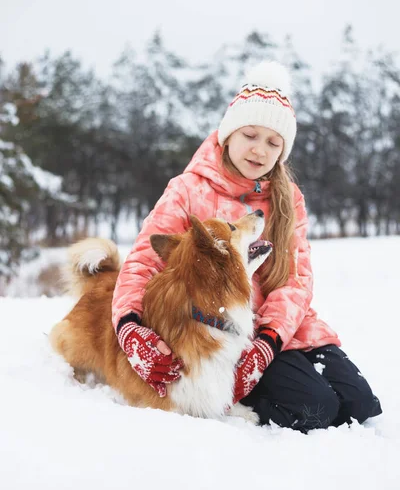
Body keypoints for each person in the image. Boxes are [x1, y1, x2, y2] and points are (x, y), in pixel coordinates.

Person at [112, 61, 382, 432]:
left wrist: (269, 343)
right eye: (250, 135)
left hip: (275, 330)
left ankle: (278, 378)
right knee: (318, 408)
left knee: (359, 404)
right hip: (221, 329)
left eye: (273, 142)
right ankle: (230, 397)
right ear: (229, 134)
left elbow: (297, 280)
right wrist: (129, 327)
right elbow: (143, 260)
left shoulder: (290, 199)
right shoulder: (188, 189)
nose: (259, 150)